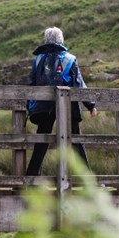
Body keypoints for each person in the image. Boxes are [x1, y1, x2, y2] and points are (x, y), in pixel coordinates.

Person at [25, 27, 97, 176]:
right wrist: (90, 105)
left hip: (44, 105)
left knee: (42, 140)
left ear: (46, 39)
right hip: (68, 105)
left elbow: (31, 83)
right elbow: (78, 84)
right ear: (61, 39)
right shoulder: (70, 59)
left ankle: (32, 176)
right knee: (75, 140)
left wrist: (30, 105)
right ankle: (86, 179)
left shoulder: (38, 59)